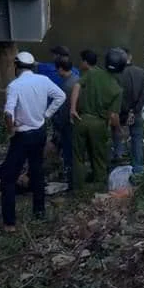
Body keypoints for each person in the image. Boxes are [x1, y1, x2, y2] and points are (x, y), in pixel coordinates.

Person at [0, 51, 65, 230]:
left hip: (22, 136)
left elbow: (8, 112)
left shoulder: (15, 86)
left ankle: (9, 223)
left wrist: (10, 129)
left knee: (8, 178)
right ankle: (39, 212)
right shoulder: (43, 81)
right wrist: (47, 114)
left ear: (16, 66)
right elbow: (61, 96)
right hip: (40, 132)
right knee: (36, 171)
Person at [71, 49, 122, 191]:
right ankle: (98, 185)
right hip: (99, 124)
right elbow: (113, 116)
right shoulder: (117, 89)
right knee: (99, 156)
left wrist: (73, 108)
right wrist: (118, 129)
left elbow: (77, 85)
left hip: (81, 119)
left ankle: (78, 187)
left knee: (78, 156)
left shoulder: (92, 73)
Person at [111, 47, 144, 174]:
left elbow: (116, 96)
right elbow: (143, 95)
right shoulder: (141, 73)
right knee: (137, 138)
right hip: (136, 113)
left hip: (121, 113)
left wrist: (123, 111)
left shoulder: (117, 75)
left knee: (117, 136)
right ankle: (137, 169)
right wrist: (135, 110)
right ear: (130, 57)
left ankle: (118, 166)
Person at [51, 56, 80, 189]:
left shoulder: (65, 86)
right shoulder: (77, 79)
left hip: (68, 125)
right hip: (79, 121)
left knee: (69, 153)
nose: (57, 72)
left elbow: (63, 112)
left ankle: (71, 181)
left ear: (61, 69)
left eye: (57, 69)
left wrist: (57, 125)